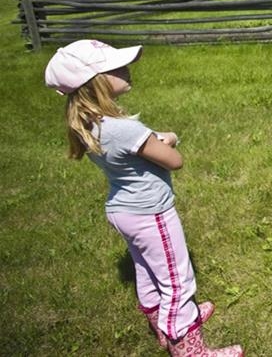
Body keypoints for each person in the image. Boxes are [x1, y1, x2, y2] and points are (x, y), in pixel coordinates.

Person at [43, 40, 242, 357]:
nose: (127, 70)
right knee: (178, 280)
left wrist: (149, 140)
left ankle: (159, 321)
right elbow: (174, 160)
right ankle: (188, 346)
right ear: (97, 82)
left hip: (123, 210)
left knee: (147, 270)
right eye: (117, 68)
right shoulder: (123, 128)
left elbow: (135, 149)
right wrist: (171, 139)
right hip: (152, 214)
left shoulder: (89, 123)